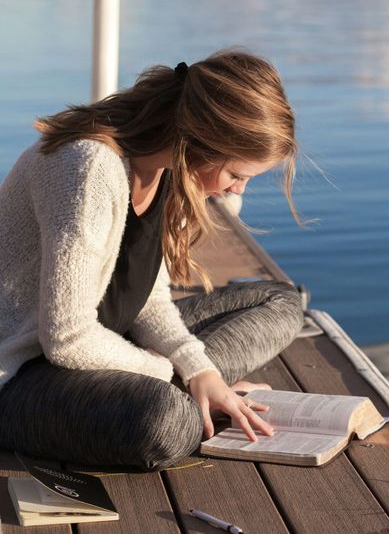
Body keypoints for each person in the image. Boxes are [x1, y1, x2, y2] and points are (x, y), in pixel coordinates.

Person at [0, 49, 304, 471]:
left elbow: (148, 298)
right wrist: (168, 373)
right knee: (164, 422)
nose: (238, 192)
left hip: (107, 347)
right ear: (199, 141)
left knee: (280, 302)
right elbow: (66, 338)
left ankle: (200, 392)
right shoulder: (88, 168)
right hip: (21, 374)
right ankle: (186, 399)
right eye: (237, 175)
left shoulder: (165, 171)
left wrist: (200, 371)